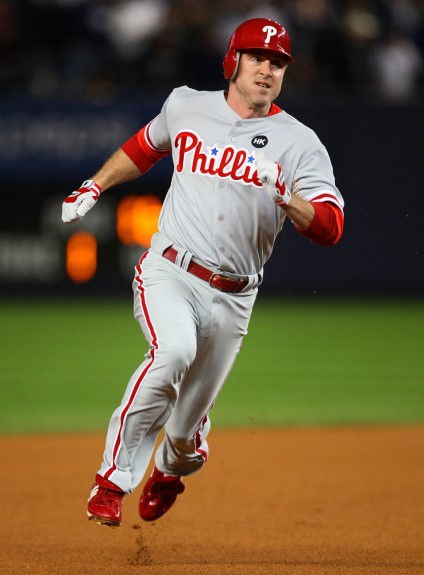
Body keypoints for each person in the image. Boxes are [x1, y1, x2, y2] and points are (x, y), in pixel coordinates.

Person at [62, 18, 344, 528]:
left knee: (184, 434)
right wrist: (96, 185)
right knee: (173, 352)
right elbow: (144, 147)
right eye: (257, 57)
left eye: (278, 62)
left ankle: (171, 470)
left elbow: (330, 227)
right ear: (232, 61)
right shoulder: (186, 105)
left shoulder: (299, 142)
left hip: (236, 296)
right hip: (170, 270)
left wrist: (291, 199)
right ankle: (112, 481)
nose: (267, 69)